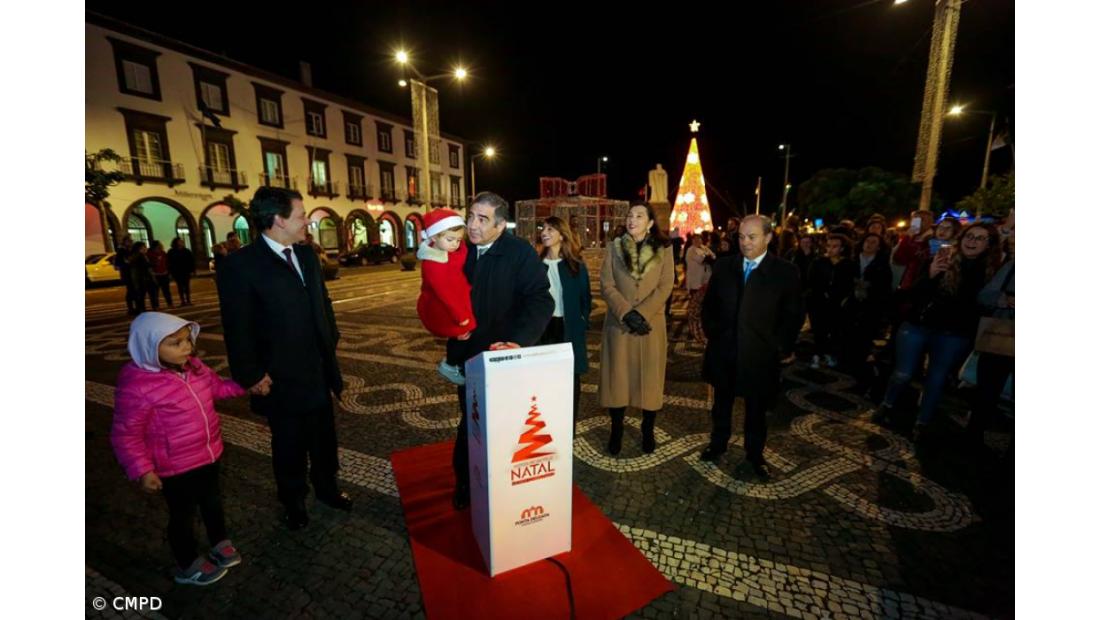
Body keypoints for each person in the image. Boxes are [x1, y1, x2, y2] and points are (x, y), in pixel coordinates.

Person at [216, 187, 351, 530]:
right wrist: (250, 373)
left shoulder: (306, 255)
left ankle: (327, 488)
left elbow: (323, 303)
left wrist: (330, 339)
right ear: (278, 220)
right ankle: (293, 500)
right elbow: (237, 326)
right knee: (289, 443)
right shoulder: (240, 265)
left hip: (317, 368)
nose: (307, 221)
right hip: (279, 376)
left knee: (323, 438)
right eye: (301, 215)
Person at [111, 312, 249, 586]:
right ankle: (187, 563)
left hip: (208, 455)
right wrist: (142, 470)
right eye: (175, 343)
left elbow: (218, 389)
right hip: (175, 467)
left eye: (187, 340)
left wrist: (246, 385)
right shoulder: (138, 386)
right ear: (150, 347)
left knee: (212, 502)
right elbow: (126, 434)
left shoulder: (194, 368)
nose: (186, 347)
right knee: (182, 515)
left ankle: (219, 542)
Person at [448, 192, 554, 510]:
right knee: (471, 420)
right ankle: (465, 482)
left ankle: (504, 483)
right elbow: (437, 293)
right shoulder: (458, 249)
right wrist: (448, 324)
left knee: (506, 424)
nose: (473, 225)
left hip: (504, 355)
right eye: (470, 216)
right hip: (468, 355)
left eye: (482, 219)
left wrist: (519, 341)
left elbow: (540, 299)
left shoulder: (519, 252)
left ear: (500, 225)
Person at [873, 222, 1002, 441]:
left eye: (980, 238)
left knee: (936, 379)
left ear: (990, 245)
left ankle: (923, 422)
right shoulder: (943, 259)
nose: (972, 241)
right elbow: (914, 294)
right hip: (918, 326)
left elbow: (981, 305)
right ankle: (887, 403)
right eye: (969, 236)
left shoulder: (993, 271)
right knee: (903, 373)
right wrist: (930, 274)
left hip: (954, 334)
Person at [700, 215, 803, 479]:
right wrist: (715, 334)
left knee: (756, 410)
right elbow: (708, 306)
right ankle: (717, 443)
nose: (745, 242)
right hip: (724, 351)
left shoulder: (785, 272)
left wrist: (780, 347)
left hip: (760, 355)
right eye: (741, 237)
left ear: (768, 237)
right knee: (721, 403)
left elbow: (793, 315)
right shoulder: (724, 267)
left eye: (752, 237)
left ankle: (755, 455)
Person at [599, 203, 675, 456]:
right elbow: (607, 285)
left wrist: (641, 314)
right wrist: (626, 313)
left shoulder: (664, 249)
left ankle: (648, 429)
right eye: (630, 215)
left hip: (649, 325)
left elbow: (665, 286)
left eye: (639, 216)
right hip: (619, 325)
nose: (632, 219)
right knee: (617, 381)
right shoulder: (614, 246)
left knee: (650, 380)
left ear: (650, 222)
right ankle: (617, 429)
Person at [537, 216, 593, 429]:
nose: (545, 233)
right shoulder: (536, 265)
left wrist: (582, 320)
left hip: (568, 327)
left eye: (551, 229)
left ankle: (568, 425)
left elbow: (585, 298)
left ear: (562, 235)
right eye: (544, 228)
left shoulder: (575, 265)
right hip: (543, 328)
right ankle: (546, 421)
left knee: (571, 378)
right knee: (544, 376)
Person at [966, 217, 1014, 448]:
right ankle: (973, 437)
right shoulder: (1013, 266)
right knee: (986, 392)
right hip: (1001, 337)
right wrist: (1005, 300)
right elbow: (985, 296)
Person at [414, 208, 476, 385]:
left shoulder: (450, 250)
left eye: (458, 240)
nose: (455, 244)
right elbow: (444, 293)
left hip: (457, 299)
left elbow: (462, 253)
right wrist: (460, 317)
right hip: (443, 307)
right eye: (450, 239)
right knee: (462, 333)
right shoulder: (433, 262)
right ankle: (449, 365)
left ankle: (454, 363)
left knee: (464, 335)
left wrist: (462, 243)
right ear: (433, 237)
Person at [843, 233, 894, 390]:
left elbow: (884, 287)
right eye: (867, 241)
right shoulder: (852, 261)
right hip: (851, 305)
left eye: (874, 242)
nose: (869, 244)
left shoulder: (882, 265)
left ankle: (862, 374)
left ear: (879, 247)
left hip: (870, 308)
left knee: (864, 339)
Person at [807, 234, 857, 369]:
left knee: (835, 330)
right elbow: (812, 281)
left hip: (837, 303)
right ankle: (817, 354)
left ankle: (830, 353)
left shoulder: (848, 264)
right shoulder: (819, 262)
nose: (830, 249)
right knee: (819, 329)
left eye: (835, 246)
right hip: (819, 302)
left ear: (842, 248)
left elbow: (850, 284)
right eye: (828, 246)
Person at [685, 233, 717, 343]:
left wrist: (709, 257)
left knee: (704, 305)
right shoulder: (691, 250)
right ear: (692, 240)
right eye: (695, 239)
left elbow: (713, 257)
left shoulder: (704, 248)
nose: (698, 241)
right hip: (695, 281)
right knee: (694, 305)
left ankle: (702, 326)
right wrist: (708, 257)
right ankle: (692, 328)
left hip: (706, 280)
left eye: (699, 239)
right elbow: (701, 260)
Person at [129, 242, 158, 313]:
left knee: (143, 295)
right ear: (139, 249)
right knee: (149, 294)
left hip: (141, 279)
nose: (146, 248)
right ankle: (152, 308)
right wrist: (154, 264)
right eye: (144, 247)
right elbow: (145, 265)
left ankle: (143, 308)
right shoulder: (139, 256)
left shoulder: (138, 256)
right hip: (144, 278)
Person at [167, 238, 195, 306]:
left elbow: (191, 261)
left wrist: (192, 270)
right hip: (177, 272)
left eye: (182, 241)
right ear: (176, 243)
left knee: (186, 286)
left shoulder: (186, 251)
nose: (182, 242)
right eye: (180, 241)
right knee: (180, 287)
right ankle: (182, 301)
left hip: (186, 271)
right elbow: (169, 262)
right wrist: (170, 272)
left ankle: (188, 300)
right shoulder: (171, 251)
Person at [115, 235, 139, 315]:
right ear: (125, 242)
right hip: (127, 274)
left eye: (131, 240)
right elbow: (118, 263)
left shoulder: (132, 250)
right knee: (130, 291)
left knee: (135, 290)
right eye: (129, 241)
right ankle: (131, 308)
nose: (131, 242)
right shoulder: (121, 251)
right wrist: (126, 262)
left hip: (134, 273)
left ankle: (137, 307)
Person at [148, 240, 174, 308]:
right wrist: (156, 262)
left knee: (166, 291)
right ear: (155, 247)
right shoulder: (150, 254)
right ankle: (156, 306)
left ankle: (170, 303)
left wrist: (168, 272)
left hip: (164, 274)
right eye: (159, 245)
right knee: (155, 292)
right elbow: (149, 265)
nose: (161, 246)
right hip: (155, 275)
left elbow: (167, 263)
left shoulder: (163, 253)